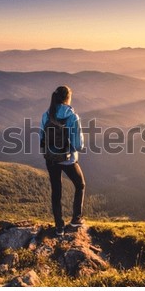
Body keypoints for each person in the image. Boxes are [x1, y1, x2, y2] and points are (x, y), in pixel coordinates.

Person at [40, 86, 86, 236]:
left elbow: (42, 137)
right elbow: (78, 144)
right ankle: (75, 220)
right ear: (68, 98)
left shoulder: (46, 115)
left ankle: (59, 227)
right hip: (67, 159)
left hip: (51, 158)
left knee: (56, 191)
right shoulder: (72, 117)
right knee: (80, 185)